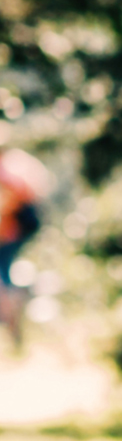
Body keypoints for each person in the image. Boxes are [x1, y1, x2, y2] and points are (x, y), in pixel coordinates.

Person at [0, 148, 48, 359]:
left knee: (3, 277)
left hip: (14, 229)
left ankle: (12, 322)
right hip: (20, 226)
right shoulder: (15, 161)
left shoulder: (7, 170)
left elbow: (10, 202)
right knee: (5, 275)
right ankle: (13, 324)